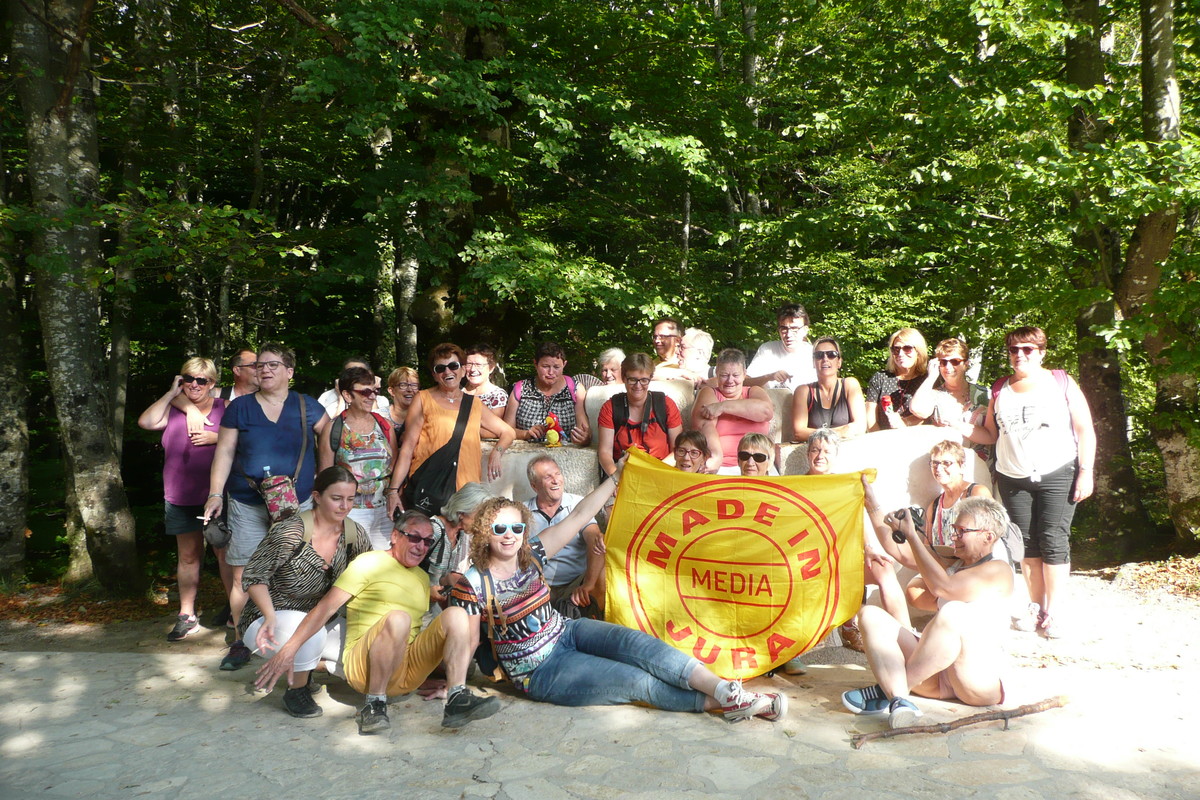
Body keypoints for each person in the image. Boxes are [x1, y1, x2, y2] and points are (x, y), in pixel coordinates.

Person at [449, 477, 787, 722]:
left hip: (568, 632)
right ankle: (744, 704)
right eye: (499, 529)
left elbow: (580, 515)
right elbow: (467, 638)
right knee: (636, 682)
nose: (509, 536)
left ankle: (728, 691)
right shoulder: (475, 582)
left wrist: (616, 476)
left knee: (643, 647)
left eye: (516, 528)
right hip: (541, 671)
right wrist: (455, 688)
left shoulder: (532, 554)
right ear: (483, 532)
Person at [254, 511, 500, 733]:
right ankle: (374, 706)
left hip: (406, 673)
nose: (421, 546)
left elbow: (442, 628)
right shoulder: (368, 563)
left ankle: (457, 698)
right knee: (398, 617)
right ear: (395, 535)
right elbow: (326, 607)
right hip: (364, 669)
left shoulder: (421, 577)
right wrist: (290, 650)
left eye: (427, 541)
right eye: (414, 537)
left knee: (457, 614)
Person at [203, 344, 329, 671]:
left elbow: (330, 442)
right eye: (260, 365)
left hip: (296, 504)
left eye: (274, 365)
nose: (265, 370)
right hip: (246, 502)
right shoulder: (240, 408)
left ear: (290, 371)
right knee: (243, 574)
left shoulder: (308, 407)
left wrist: (324, 487)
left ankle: (299, 638)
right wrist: (215, 494)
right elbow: (225, 453)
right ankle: (241, 640)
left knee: (299, 572)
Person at [844, 492, 1014, 730]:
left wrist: (913, 536)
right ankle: (899, 700)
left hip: (976, 681)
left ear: (988, 536)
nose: (955, 537)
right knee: (870, 615)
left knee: (953, 612)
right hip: (933, 674)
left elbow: (942, 587)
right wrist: (872, 503)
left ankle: (886, 694)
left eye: (962, 531)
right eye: (954, 530)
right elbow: (899, 551)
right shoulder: (953, 559)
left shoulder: (999, 570)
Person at [968, 326, 1095, 638]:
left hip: (1058, 472)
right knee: (1026, 544)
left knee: (1054, 539)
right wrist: (959, 426)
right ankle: (1036, 607)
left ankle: (1056, 611)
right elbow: (990, 436)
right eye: (1014, 350)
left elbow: (1084, 429)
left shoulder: (1061, 382)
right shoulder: (1000, 389)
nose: (1020, 355)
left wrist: (1086, 471)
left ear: (1042, 352)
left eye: (1028, 349)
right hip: (1014, 477)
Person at [240, 467, 372, 717]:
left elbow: (368, 576)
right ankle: (297, 690)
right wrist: (268, 615)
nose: (344, 506)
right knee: (308, 632)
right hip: (270, 619)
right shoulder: (291, 531)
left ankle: (309, 667)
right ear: (317, 496)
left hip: (322, 619)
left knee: (365, 653)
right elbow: (254, 576)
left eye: (350, 499)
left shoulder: (354, 534)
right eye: (336, 498)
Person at [138, 357, 227, 642]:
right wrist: (172, 394)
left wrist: (217, 438)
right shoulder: (172, 409)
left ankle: (238, 617)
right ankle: (186, 615)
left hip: (218, 497)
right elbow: (146, 421)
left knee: (226, 557)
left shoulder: (226, 409)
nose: (195, 385)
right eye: (189, 378)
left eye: (202, 380)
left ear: (212, 383)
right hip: (180, 496)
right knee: (188, 557)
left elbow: (246, 441)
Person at [387, 344, 515, 517]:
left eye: (453, 366)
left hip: (466, 493)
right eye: (440, 368)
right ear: (434, 375)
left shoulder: (474, 404)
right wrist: (393, 490)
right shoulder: (423, 399)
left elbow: (508, 432)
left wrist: (497, 452)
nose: (448, 372)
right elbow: (408, 447)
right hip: (429, 486)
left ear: (463, 370)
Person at [318, 365, 398, 549]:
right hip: (349, 511)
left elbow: (394, 464)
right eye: (365, 392)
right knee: (354, 564)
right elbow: (325, 476)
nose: (372, 396)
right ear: (347, 395)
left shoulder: (384, 425)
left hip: (384, 511)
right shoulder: (333, 428)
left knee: (382, 564)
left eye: (375, 391)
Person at [523, 455, 605, 617]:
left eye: (557, 474)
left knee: (603, 576)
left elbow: (595, 540)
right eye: (548, 477)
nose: (556, 480)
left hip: (575, 583)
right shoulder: (522, 512)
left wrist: (588, 584)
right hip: (540, 586)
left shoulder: (577, 504)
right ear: (534, 486)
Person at [596, 352, 683, 478]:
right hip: (624, 474)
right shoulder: (610, 407)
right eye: (632, 380)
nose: (638, 386)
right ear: (624, 378)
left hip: (660, 473)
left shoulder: (665, 405)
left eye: (643, 380)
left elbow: (678, 450)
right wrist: (616, 479)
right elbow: (604, 453)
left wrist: (654, 473)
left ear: (650, 378)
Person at [691, 348, 774, 472]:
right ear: (717, 373)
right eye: (724, 375)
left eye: (735, 375)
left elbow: (766, 412)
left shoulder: (754, 391)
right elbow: (704, 426)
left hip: (757, 465)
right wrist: (716, 456)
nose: (730, 381)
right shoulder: (709, 393)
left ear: (744, 374)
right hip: (721, 465)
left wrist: (722, 406)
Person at [909, 338, 991, 464]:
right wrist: (931, 377)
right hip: (947, 468)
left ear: (966, 364)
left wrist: (955, 424)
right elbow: (917, 409)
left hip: (981, 466)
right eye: (943, 362)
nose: (948, 367)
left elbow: (992, 435)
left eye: (955, 361)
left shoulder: (985, 394)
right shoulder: (934, 395)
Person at [423, 482, 495, 617]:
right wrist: (426, 591)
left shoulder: (460, 535)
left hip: (430, 607)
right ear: (462, 512)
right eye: (479, 516)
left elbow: (445, 578)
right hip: (414, 606)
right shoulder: (434, 530)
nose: (482, 522)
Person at [503, 342, 589, 444]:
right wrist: (525, 433)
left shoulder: (576, 389)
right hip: (527, 454)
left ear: (564, 364)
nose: (551, 372)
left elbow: (584, 430)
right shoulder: (520, 389)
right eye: (545, 366)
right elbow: (506, 430)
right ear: (536, 364)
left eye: (556, 367)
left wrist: (584, 438)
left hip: (565, 453)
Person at [920, 440, 992, 553]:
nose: (938, 469)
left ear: (962, 466)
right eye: (935, 463)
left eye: (946, 463)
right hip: (945, 568)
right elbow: (927, 550)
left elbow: (992, 535)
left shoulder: (976, 493)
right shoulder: (934, 506)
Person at [792, 336, 867, 442]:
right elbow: (799, 433)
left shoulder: (850, 385)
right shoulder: (803, 391)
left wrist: (815, 433)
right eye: (819, 355)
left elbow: (860, 427)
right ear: (814, 362)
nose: (825, 359)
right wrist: (842, 431)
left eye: (831, 355)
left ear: (839, 362)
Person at [865, 328, 930, 431]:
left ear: (918, 351)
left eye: (907, 349)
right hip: (883, 440)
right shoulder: (880, 378)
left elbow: (927, 415)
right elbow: (870, 418)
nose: (900, 354)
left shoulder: (927, 380)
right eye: (896, 349)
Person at [746, 303, 816, 390]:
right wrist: (768, 377)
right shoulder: (767, 350)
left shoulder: (815, 354)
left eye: (794, 328)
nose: (789, 334)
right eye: (784, 328)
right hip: (772, 402)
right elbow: (745, 381)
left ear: (805, 330)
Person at [318, 357, 390, 417]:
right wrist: (341, 397)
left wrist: (372, 391)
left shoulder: (381, 400)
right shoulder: (326, 397)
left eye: (362, 372)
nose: (356, 376)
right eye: (350, 372)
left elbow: (379, 426)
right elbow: (332, 429)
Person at [463, 344, 508, 411]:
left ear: (491, 368)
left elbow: (493, 421)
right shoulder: (457, 390)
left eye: (478, 365)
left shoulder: (497, 396)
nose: (472, 369)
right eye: (469, 364)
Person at [385, 366, 420, 439]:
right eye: (403, 385)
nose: (409, 389)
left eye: (414, 385)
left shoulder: (424, 416)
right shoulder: (379, 417)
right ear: (391, 391)